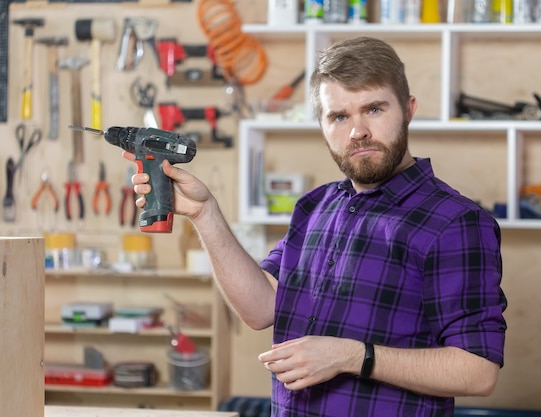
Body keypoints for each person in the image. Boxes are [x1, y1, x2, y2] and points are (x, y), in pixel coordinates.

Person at [126, 36, 507, 417]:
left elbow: (477, 371)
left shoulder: (455, 221)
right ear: (322, 125)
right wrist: (205, 213)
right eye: (339, 116)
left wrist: (351, 356)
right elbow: (261, 308)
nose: (357, 131)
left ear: (408, 110)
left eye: (373, 109)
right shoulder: (315, 207)